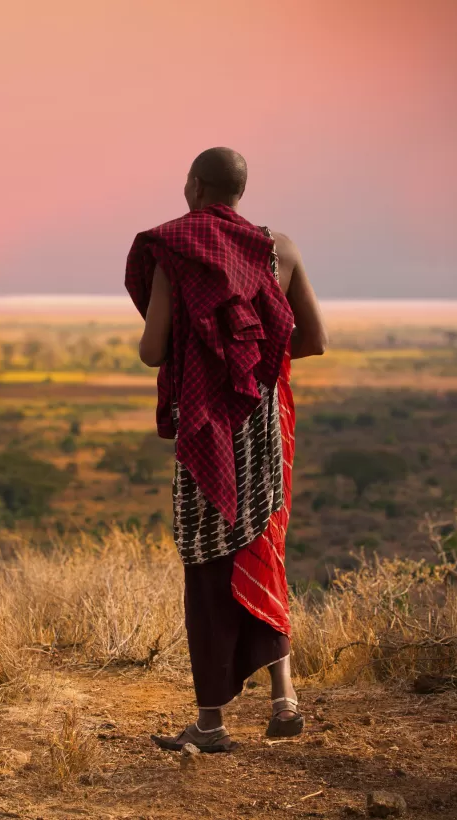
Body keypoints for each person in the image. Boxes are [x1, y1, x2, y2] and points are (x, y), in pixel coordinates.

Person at [125, 147, 328, 753]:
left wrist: (209, 362)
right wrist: (249, 359)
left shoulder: (174, 250)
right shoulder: (279, 249)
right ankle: (283, 698)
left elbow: (152, 350)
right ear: (240, 190)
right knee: (260, 547)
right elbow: (313, 338)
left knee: (208, 563)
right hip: (260, 421)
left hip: (206, 428)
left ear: (193, 186)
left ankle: (210, 724)